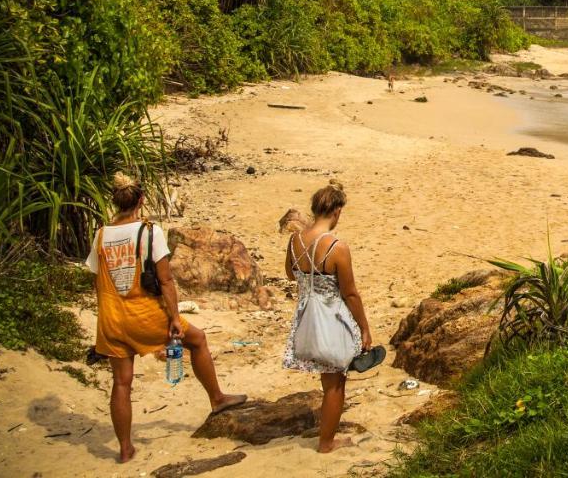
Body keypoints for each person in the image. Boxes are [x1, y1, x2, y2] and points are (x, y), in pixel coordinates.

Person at [87, 173, 246, 464]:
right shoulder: (149, 232)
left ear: (116, 201)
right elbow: (166, 279)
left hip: (111, 318)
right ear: (141, 201)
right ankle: (217, 398)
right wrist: (174, 316)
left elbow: (97, 277)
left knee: (121, 382)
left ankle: (125, 449)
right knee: (197, 340)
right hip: (145, 314)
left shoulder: (101, 234)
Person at [283, 182, 378, 453]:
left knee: (328, 379)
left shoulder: (295, 241)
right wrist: (365, 329)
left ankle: (326, 438)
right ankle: (327, 442)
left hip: (306, 317)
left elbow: (291, 274)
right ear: (336, 211)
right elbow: (350, 294)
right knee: (335, 383)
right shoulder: (337, 247)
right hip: (331, 317)